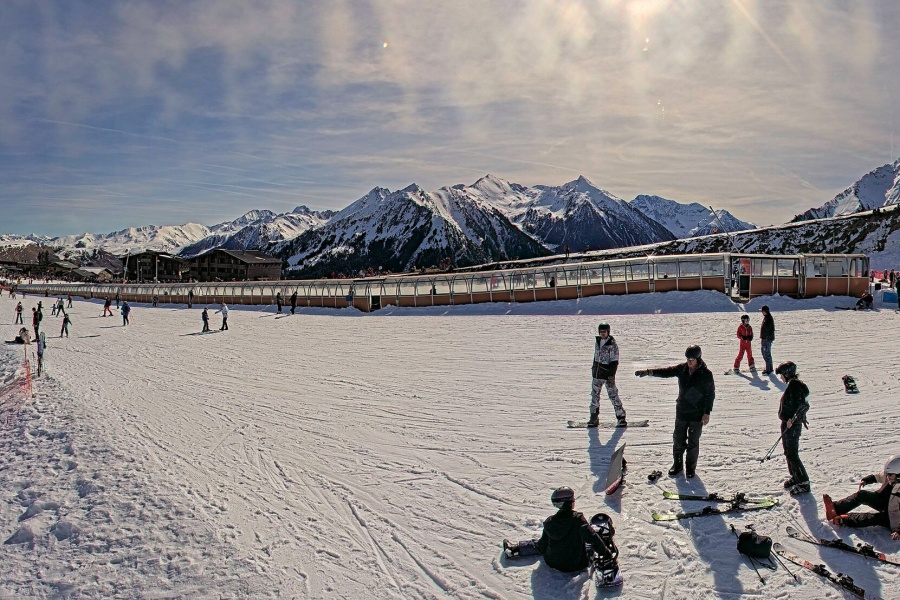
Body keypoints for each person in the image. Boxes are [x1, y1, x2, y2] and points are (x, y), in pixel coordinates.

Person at [636, 345, 715, 478]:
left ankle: (690, 469)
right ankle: (677, 465)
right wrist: (649, 372)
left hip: (697, 414)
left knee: (693, 443)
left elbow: (710, 394)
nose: (689, 362)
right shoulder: (682, 369)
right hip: (682, 411)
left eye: (692, 359)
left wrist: (707, 412)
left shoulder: (706, 374)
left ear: (698, 358)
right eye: (687, 359)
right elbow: (666, 372)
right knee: (678, 440)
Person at [502, 487, 613, 572]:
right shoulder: (578, 521)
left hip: (552, 562)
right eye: (572, 500)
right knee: (589, 543)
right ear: (569, 504)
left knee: (538, 543)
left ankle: (514, 550)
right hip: (576, 565)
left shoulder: (549, 522)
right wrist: (606, 553)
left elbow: (541, 547)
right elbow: (592, 538)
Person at [824, 455, 900, 540]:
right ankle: (835, 509)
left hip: (896, 518)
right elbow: (880, 476)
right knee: (862, 495)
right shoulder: (890, 477)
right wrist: (867, 480)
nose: (887, 476)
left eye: (889, 475)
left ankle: (844, 519)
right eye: (887, 474)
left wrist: (896, 530)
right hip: (885, 502)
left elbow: (894, 512)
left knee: (872, 518)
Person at [775, 361, 810, 495]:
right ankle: (796, 477)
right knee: (788, 453)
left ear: (787, 374)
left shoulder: (795, 387)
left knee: (792, 454)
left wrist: (792, 419)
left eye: (781, 375)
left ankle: (804, 482)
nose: (781, 378)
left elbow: (801, 406)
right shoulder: (793, 385)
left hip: (792, 426)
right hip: (788, 424)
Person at [588, 323, 626, 427]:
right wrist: (594, 369)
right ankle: (593, 418)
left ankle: (621, 417)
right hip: (597, 374)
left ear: (608, 332)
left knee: (613, 395)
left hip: (608, 374)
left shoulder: (612, 344)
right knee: (594, 396)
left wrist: (611, 375)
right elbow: (595, 357)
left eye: (604, 332)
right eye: (601, 332)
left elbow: (614, 361)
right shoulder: (597, 342)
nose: (602, 333)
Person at [760, 305, 775, 375]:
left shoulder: (769, 318)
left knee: (766, 354)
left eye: (763, 311)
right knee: (766, 353)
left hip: (766, 339)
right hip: (765, 338)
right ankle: (770, 368)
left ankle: (768, 370)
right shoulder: (767, 317)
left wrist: (767, 337)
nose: (762, 312)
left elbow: (771, 329)